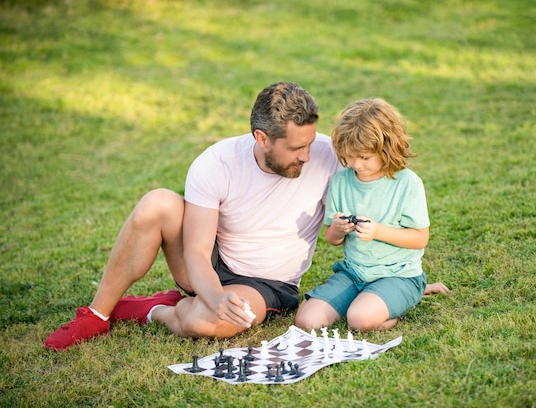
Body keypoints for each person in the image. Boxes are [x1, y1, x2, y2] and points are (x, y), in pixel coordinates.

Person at [44, 82, 343, 350]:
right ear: (262, 138)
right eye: (297, 148)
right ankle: (96, 315)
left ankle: (159, 310)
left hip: (268, 285)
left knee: (204, 323)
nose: (306, 155)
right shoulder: (217, 162)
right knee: (157, 203)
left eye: (310, 143)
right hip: (208, 265)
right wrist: (214, 296)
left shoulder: (327, 155)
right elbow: (198, 252)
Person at [295, 98, 449, 332]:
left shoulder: (407, 184)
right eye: (349, 156)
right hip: (353, 274)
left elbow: (420, 238)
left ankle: (410, 292)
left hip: (398, 276)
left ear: (386, 148)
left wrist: (378, 231)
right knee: (307, 321)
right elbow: (332, 239)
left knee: (359, 320)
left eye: (365, 157)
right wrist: (337, 230)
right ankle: (371, 299)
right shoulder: (341, 182)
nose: (356, 164)